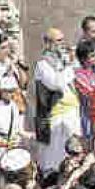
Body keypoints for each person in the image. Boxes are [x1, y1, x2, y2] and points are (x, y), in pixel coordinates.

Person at [33, 28, 79, 176]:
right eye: (58, 40)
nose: (62, 43)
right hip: (54, 117)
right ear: (47, 43)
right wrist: (70, 65)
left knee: (72, 157)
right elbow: (56, 83)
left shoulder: (64, 61)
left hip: (72, 114)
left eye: (62, 39)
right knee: (54, 161)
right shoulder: (42, 64)